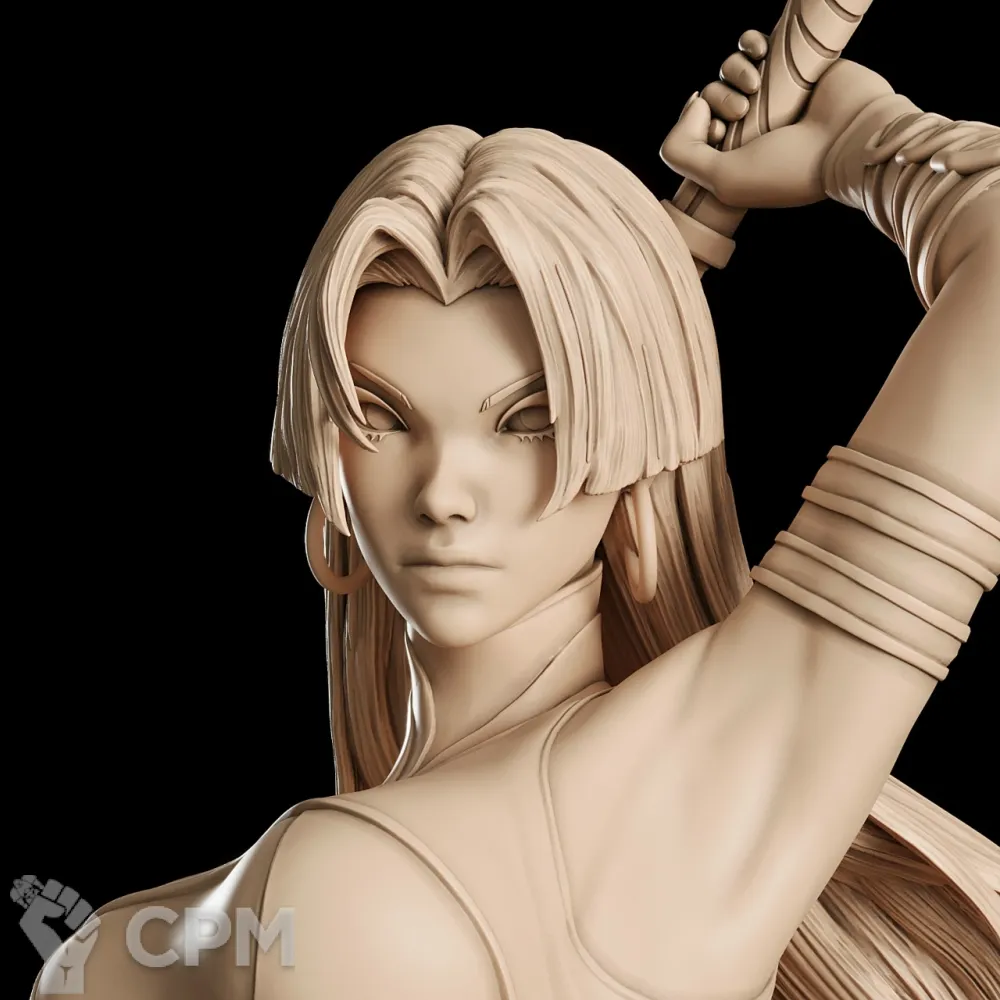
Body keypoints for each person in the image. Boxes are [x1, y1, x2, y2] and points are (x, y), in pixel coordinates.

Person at [32, 27, 999, 1000]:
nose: (443, 494)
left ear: (632, 463)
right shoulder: (111, 951)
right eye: (382, 416)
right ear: (327, 468)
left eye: (529, 421)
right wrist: (869, 141)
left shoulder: (698, 770)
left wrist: (865, 143)